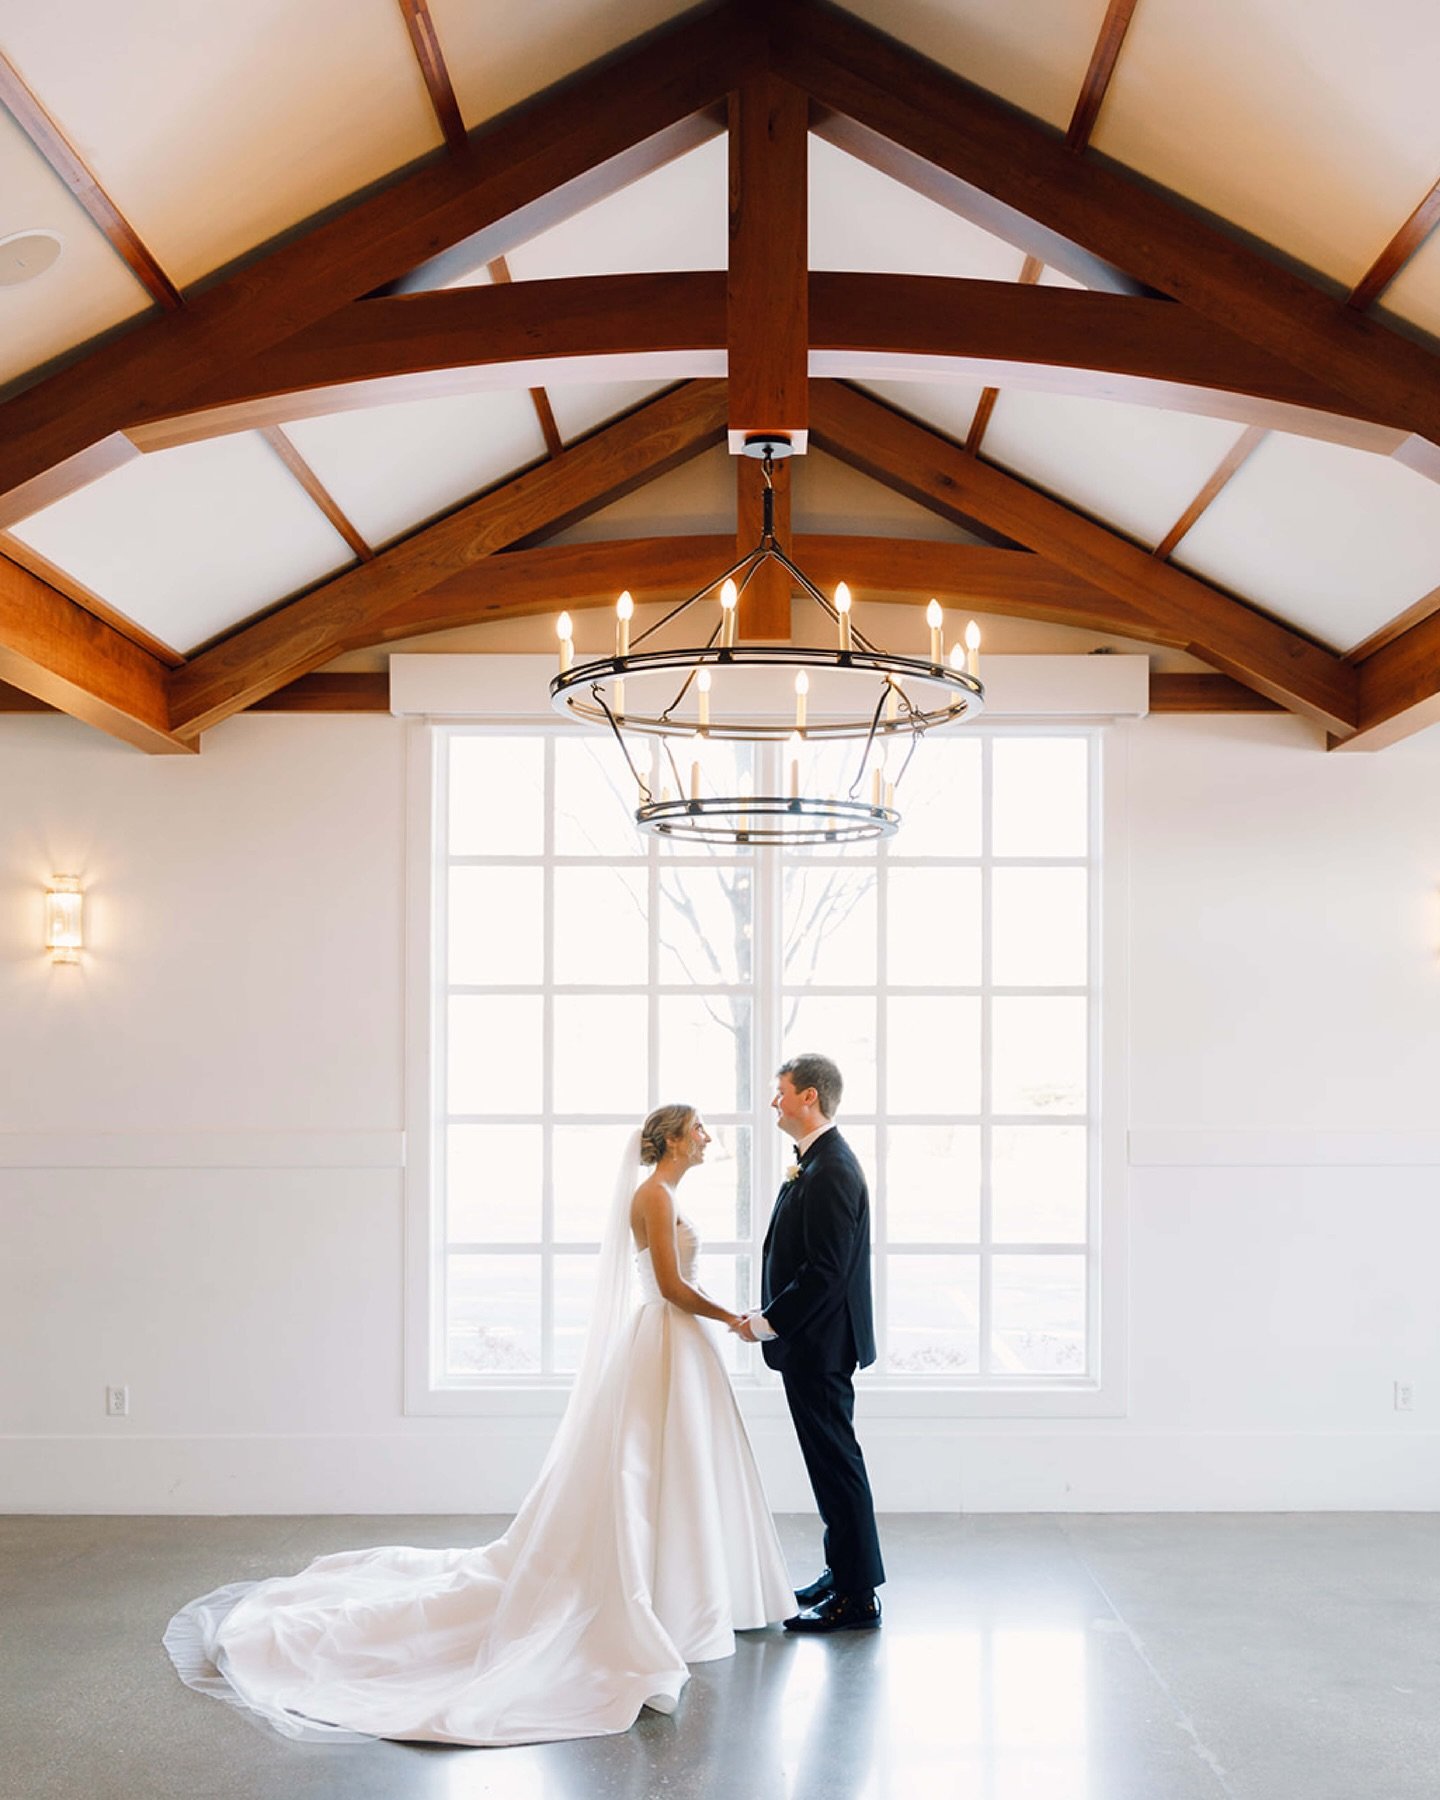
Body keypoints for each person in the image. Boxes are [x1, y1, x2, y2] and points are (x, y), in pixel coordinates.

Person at [163, 1104, 793, 1746]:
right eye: (700, 1129)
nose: (709, 1137)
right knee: (650, 1468)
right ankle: (664, 1598)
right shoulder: (653, 1196)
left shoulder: (665, 1194)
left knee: (678, 1468)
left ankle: (689, 1590)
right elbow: (668, 1285)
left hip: (677, 1347)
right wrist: (733, 1318)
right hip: (667, 1336)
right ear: (674, 1140)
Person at [736, 1053, 885, 1633]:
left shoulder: (831, 1170)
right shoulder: (816, 1162)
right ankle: (843, 1573)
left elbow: (825, 1272)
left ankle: (856, 1599)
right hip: (813, 1343)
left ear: (809, 1098)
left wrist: (770, 1321)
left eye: (782, 1092)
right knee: (831, 1464)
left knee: (837, 1465)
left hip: (820, 1345)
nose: (775, 1102)